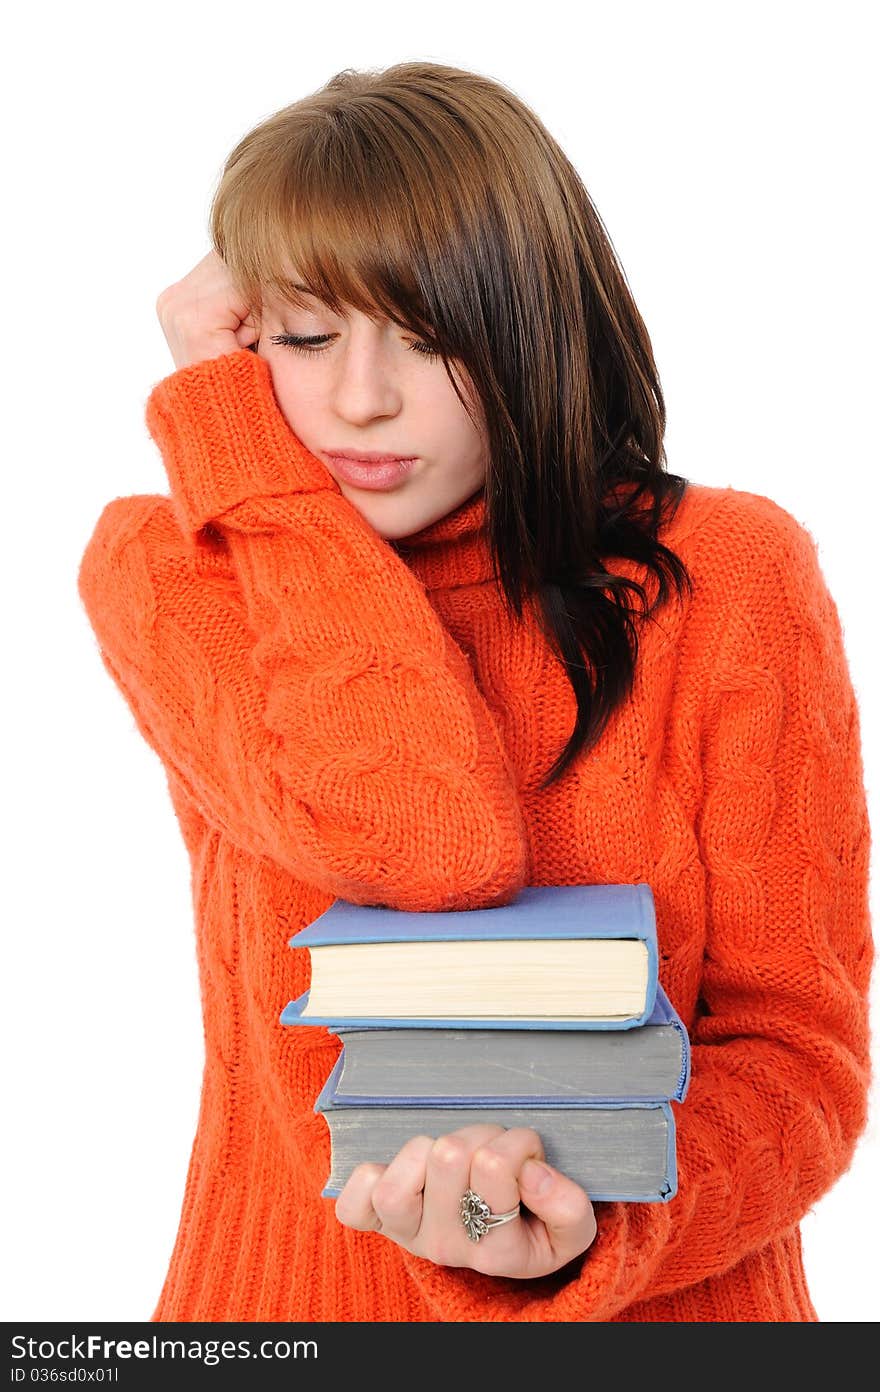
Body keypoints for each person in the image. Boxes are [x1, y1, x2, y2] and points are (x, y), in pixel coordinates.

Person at [76, 60, 873, 1322]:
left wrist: (592, 1229)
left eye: (434, 337)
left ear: (533, 329)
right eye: (303, 332)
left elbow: (798, 1058)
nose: (360, 399)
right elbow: (420, 838)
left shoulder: (727, 577)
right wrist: (247, 464)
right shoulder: (179, 565)